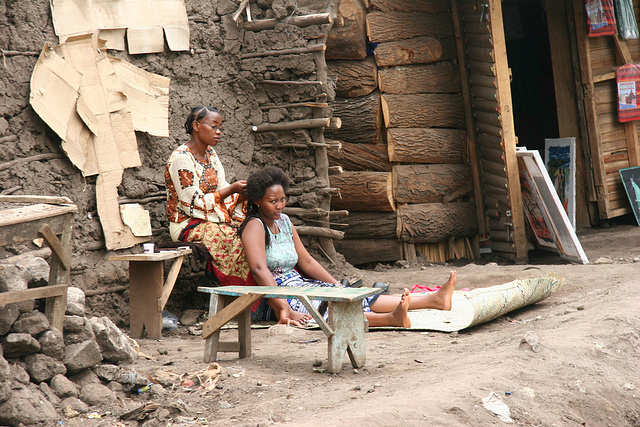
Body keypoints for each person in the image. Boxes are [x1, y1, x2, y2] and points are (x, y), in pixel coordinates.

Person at [239, 166, 457, 328]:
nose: (279, 206)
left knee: (346, 295)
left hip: (299, 285)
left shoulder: (285, 222)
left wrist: (336, 286)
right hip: (275, 296)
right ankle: (390, 319)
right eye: (272, 201)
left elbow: (306, 261)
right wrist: (282, 307)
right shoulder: (254, 226)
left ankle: (434, 300)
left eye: (282, 199)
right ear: (258, 201)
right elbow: (260, 270)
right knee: (329, 307)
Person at [165, 106, 255, 286]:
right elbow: (193, 203)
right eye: (214, 126)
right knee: (238, 242)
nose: (218, 132)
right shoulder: (182, 159)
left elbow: (222, 186)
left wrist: (241, 193)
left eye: (220, 127)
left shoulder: (210, 154)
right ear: (196, 126)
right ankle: (244, 295)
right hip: (187, 223)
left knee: (252, 231)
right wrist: (232, 190)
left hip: (212, 218)